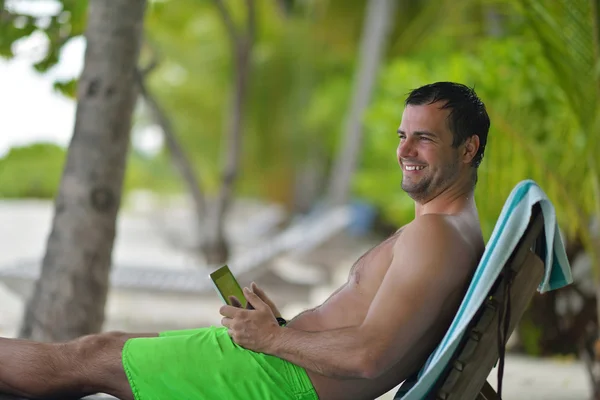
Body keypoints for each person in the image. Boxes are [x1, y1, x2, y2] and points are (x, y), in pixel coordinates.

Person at [0, 81, 490, 400]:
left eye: (423, 138)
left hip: (277, 383)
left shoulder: (435, 236)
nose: (404, 150)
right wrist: (279, 328)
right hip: (282, 367)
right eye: (402, 135)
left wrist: (273, 337)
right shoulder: (452, 232)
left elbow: (370, 356)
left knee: (90, 356)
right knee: (99, 352)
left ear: (468, 149)